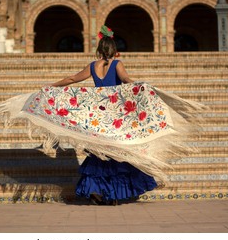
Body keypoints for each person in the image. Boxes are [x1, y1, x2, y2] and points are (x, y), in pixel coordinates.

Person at [50, 25, 157, 205]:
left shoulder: (93, 66)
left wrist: (52, 86)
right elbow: (126, 80)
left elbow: (72, 79)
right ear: (115, 51)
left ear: (100, 50)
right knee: (116, 153)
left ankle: (95, 190)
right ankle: (113, 194)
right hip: (114, 115)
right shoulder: (117, 64)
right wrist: (141, 85)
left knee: (98, 153)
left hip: (98, 115)